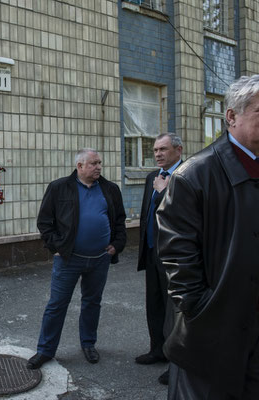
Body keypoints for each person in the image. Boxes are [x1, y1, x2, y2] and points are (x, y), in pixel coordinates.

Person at [157, 74, 259, 399]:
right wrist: (201, 310)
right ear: (232, 116)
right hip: (213, 338)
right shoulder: (194, 175)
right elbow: (177, 255)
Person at [28, 148, 127, 369]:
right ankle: (45, 350)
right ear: (80, 166)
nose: (98, 167)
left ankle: (88, 344)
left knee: (92, 303)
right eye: (93, 163)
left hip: (100, 259)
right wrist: (56, 247)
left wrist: (117, 245)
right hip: (68, 259)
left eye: (99, 163)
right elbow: (45, 222)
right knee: (56, 305)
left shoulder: (110, 189)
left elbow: (120, 221)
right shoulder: (59, 187)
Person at [135, 133, 182, 385]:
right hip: (153, 252)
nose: (158, 154)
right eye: (155, 150)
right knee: (154, 303)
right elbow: (147, 215)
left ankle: (176, 363)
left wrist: (165, 193)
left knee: (174, 312)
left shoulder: (187, 176)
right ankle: (157, 350)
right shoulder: (152, 177)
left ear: (178, 150)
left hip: (176, 256)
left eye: (163, 149)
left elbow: (184, 214)